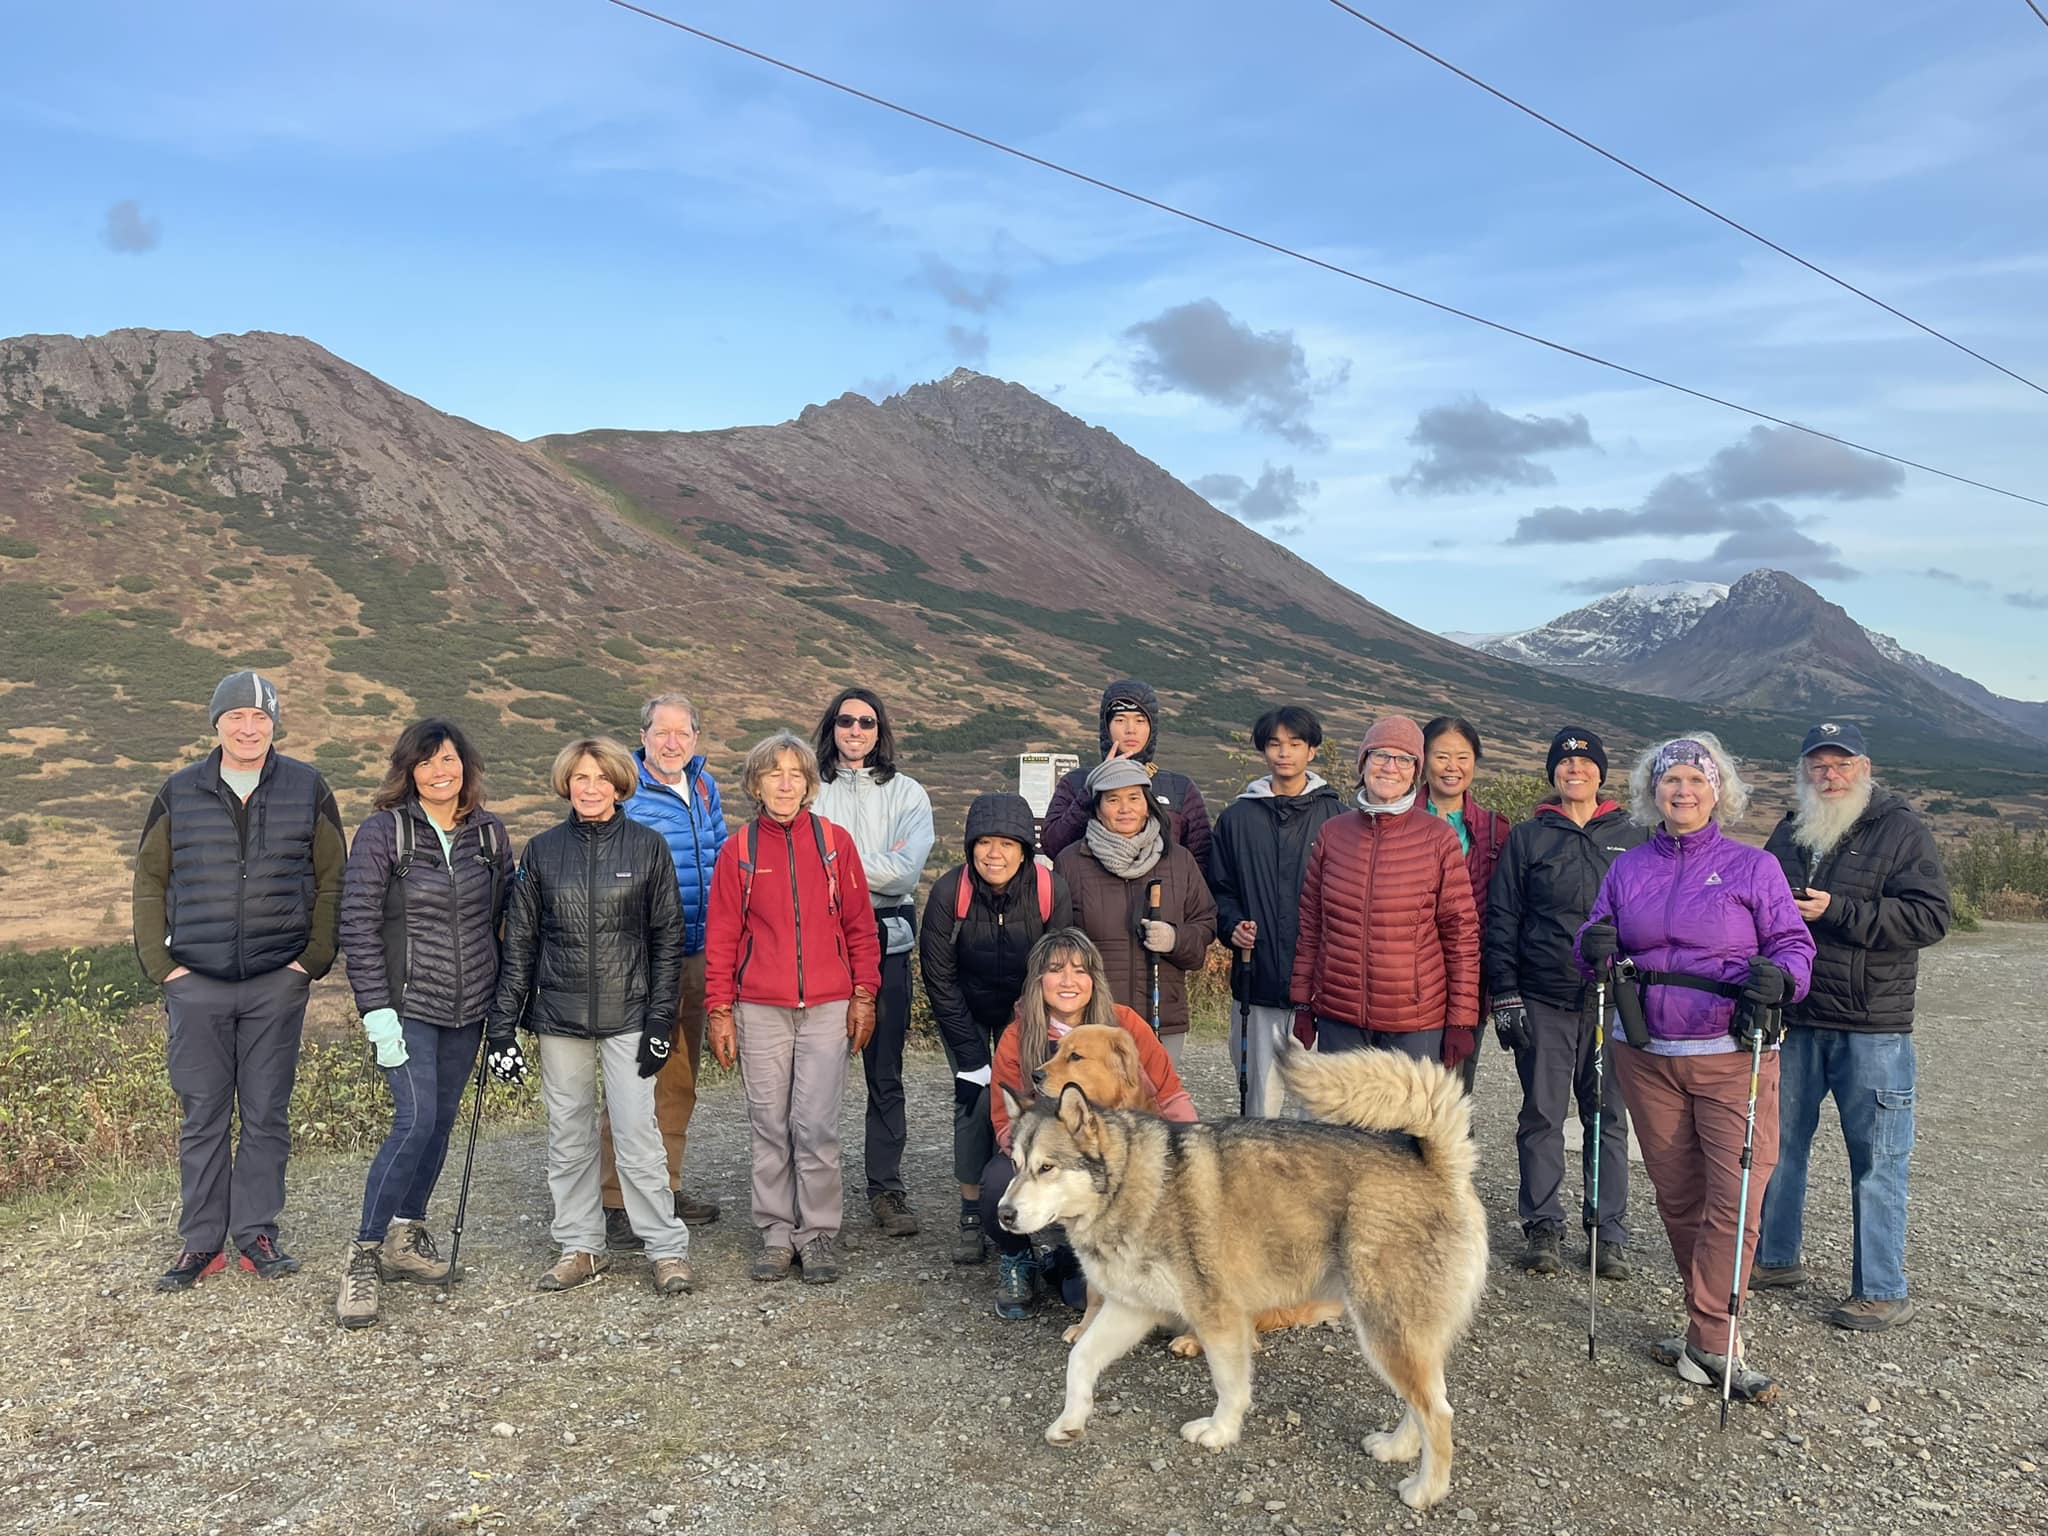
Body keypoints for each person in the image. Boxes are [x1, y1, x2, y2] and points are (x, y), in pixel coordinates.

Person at [1575, 734, 1815, 1402]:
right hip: (1646, 1053)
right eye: (1669, 780)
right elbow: (1593, 942)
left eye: (1695, 780)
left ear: (1718, 791)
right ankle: (1709, 1334)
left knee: (1736, 1199)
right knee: (1680, 1198)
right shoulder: (1627, 868)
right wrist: (1591, 946)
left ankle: (1711, 1338)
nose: (1681, 791)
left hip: (1732, 1052)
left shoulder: (1753, 867)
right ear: (1652, 792)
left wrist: (1782, 979)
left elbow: (1793, 944)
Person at [133, 671, 345, 1291]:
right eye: (236, 717)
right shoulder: (179, 791)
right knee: (202, 1114)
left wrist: (310, 961)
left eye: (260, 717)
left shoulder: (308, 787)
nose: (248, 728)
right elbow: (149, 880)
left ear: (274, 724)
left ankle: (255, 1234)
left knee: (265, 1112)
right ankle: (202, 1243)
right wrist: (164, 969)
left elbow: (333, 879)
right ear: (217, 723)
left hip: (276, 981)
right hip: (195, 982)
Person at [1756, 723, 1950, 1332]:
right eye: (1818, 765)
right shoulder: (1790, 830)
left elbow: (1929, 916)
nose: (1829, 775)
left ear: (1864, 768)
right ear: (1804, 772)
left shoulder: (1901, 830)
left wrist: (1838, 911)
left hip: (1872, 1024)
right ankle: (1775, 1259)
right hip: (1796, 1016)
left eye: (1841, 764)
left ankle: (1882, 1290)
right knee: (1778, 1147)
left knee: (1877, 1159)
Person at [483, 737, 692, 1296]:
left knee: (636, 1134)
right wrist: (502, 1028)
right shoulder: (542, 851)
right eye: (580, 778)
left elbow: (667, 938)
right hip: (559, 1014)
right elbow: (520, 943)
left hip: (630, 1013)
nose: (591, 788)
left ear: (619, 785)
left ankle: (666, 1249)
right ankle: (581, 1246)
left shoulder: (648, 847)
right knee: (568, 1136)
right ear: (566, 784)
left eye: (601, 778)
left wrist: (660, 1021)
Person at [334, 719, 510, 1328]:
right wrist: (376, 1011)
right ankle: (363, 1252)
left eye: (450, 760)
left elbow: (503, 918)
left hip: (470, 1007)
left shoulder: (489, 833)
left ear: (467, 766)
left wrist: (503, 1006)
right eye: (427, 762)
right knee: (414, 1119)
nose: (441, 771)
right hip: (407, 1007)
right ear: (409, 772)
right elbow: (358, 924)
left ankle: (404, 1236)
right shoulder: (385, 832)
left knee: (438, 1123)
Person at [705, 732, 882, 1285]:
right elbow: (722, 936)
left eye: (795, 774)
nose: (785, 784)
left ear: (808, 784)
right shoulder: (738, 851)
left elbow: (860, 926)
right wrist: (719, 1009)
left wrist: (864, 995)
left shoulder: (834, 844)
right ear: (755, 784)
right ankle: (777, 1233)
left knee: (817, 1125)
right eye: (773, 773)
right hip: (759, 1008)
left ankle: (819, 1233)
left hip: (828, 1006)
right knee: (769, 1124)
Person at [1484, 727, 1648, 1280]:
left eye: (1585, 763)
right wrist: (1505, 992)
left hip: (1612, 1000)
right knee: (1542, 1114)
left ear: (1601, 772)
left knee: (1608, 1115)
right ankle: (1543, 1225)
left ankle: (1608, 1232)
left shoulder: (1634, 834)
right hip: (1543, 996)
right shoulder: (1529, 837)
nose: (1575, 770)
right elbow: (1503, 917)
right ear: (1553, 773)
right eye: (1564, 763)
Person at [982, 929, 1195, 1318]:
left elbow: (1170, 1095)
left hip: (1125, 1155)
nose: (1068, 981)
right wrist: (1043, 1157)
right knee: (997, 1182)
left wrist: (1189, 1155)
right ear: (1038, 980)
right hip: (1056, 1160)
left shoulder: (1125, 1024)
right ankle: (1018, 1259)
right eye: (1055, 970)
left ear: (1094, 978)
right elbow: (1003, 1119)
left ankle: (1098, 1264)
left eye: (1080, 971)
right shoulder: (1017, 1036)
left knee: (1084, 1292)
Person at [596, 692, 729, 1252]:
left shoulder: (704, 786)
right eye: (661, 732)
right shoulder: (625, 788)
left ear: (696, 738)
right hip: (642, 957)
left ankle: (664, 1188)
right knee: (632, 1079)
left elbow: (722, 858)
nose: (672, 743)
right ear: (643, 736)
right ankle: (614, 1201)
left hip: (696, 953)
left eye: (682, 733)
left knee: (679, 1077)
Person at [919, 792, 1074, 1263]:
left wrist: (1029, 1027)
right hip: (964, 1010)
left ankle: (1033, 1204)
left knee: (1029, 1104)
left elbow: (1056, 966)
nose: (994, 854)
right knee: (973, 1102)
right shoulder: (950, 892)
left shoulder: (1050, 890)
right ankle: (972, 1211)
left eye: (1007, 843)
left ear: (1025, 850)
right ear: (970, 847)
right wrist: (971, 1056)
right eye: (984, 843)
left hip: (1027, 1015)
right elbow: (938, 976)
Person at [811, 687, 934, 1239]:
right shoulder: (810, 789)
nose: (855, 731)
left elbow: (906, 873)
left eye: (867, 722)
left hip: (889, 942)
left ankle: (886, 1189)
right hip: (821, 941)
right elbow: (800, 868)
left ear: (880, 730)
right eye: (846, 721)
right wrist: (869, 866)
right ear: (831, 728)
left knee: (885, 1073)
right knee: (817, 1075)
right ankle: (815, 1192)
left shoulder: (908, 793)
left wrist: (835, 866)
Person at [1290, 716, 1479, 1067]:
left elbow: (1461, 934)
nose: (1391, 767)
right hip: (1339, 1016)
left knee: (1407, 1107)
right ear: (1363, 763)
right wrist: (1303, 1002)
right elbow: (1311, 926)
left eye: (1404, 759)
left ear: (1415, 771)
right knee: (1344, 1106)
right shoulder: (1332, 834)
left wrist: (1461, 1020)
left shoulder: (1438, 838)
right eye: (1380, 755)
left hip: (1414, 1021)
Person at [1208, 705, 1344, 1116]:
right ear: (1263, 751)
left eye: (1295, 744)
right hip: (1257, 982)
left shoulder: (1338, 818)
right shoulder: (1235, 820)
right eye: (1274, 744)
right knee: (1258, 1106)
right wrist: (1231, 926)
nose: (1284, 753)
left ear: (1312, 751)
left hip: (1321, 990)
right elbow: (1219, 890)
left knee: (1318, 1107)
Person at [1051, 756, 1217, 1067]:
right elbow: (1056, 941)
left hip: (1162, 1017)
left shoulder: (1179, 861)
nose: (1125, 808)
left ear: (1148, 805)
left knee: (1157, 1098)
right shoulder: (1071, 863)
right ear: (1097, 807)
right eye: (1113, 800)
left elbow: (1205, 923)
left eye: (1134, 798)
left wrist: (1175, 939)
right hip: (1092, 1019)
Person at [1416, 716, 1511, 1090]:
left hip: (1468, 980)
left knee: (1453, 1092)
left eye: (1462, 757)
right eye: (1441, 756)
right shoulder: (1398, 820)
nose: (1451, 767)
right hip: (1407, 980)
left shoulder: (1495, 830)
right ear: (1423, 759)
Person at [1040, 678, 1213, 868]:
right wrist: (1094, 787)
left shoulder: (1179, 788)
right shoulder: (1076, 782)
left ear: (1152, 727)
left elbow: (1202, 861)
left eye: (1140, 720)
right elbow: (1053, 846)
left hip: (1164, 887)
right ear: (1106, 726)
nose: (1131, 730)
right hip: (1089, 886)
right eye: (1120, 720)